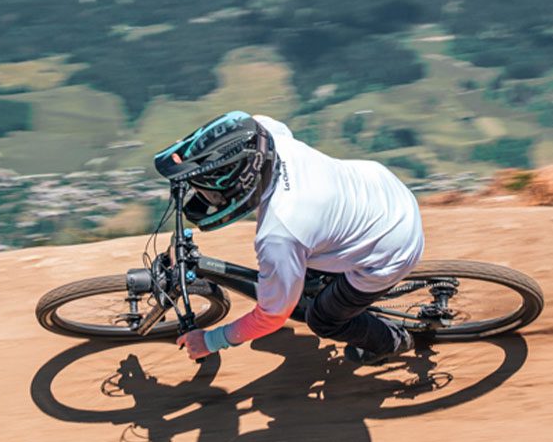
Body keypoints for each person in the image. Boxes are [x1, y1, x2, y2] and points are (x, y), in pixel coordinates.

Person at [153, 111, 424, 365]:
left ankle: (394, 341)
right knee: (303, 270)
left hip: (393, 249)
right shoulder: (266, 135)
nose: (204, 196)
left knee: (322, 320)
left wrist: (211, 340)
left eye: (209, 192)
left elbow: (272, 316)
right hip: (380, 189)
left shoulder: (279, 234)